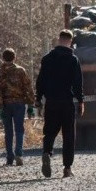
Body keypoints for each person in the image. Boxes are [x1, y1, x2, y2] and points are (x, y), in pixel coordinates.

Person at [35, 30, 84, 178]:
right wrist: (80, 100)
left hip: (51, 101)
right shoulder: (73, 59)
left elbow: (41, 80)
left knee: (49, 132)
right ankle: (67, 168)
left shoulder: (47, 59)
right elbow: (77, 83)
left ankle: (46, 153)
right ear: (70, 41)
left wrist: (38, 98)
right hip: (66, 102)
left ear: (58, 39)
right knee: (68, 135)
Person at [0, 48, 35, 166]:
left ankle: (9, 157)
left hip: (6, 104)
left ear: (3, 58)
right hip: (19, 104)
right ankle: (19, 154)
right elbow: (28, 88)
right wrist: (31, 105)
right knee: (19, 129)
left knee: (8, 131)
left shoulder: (0, 72)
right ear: (14, 57)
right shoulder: (21, 71)